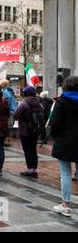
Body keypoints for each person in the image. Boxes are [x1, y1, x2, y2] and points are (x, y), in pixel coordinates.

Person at [50, 76, 78, 217]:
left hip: (65, 140)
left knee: (65, 173)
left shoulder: (61, 102)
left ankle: (66, 205)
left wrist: (55, 136)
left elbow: (54, 123)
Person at [14, 86, 44, 178]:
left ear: (26, 93)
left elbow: (15, 116)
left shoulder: (24, 103)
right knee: (33, 150)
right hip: (35, 130)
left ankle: (30, 171)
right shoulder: (39, 103)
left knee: (27, 151)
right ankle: (34, 171)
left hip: (25, 131)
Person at [1, 80, 17, 147]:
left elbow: (7, 101)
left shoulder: (5, 92)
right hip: (13, 110)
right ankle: (8, 140)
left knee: (6, 126)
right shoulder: (11, 91)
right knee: (9, 126)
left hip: (9, 111)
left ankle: (7, 140)